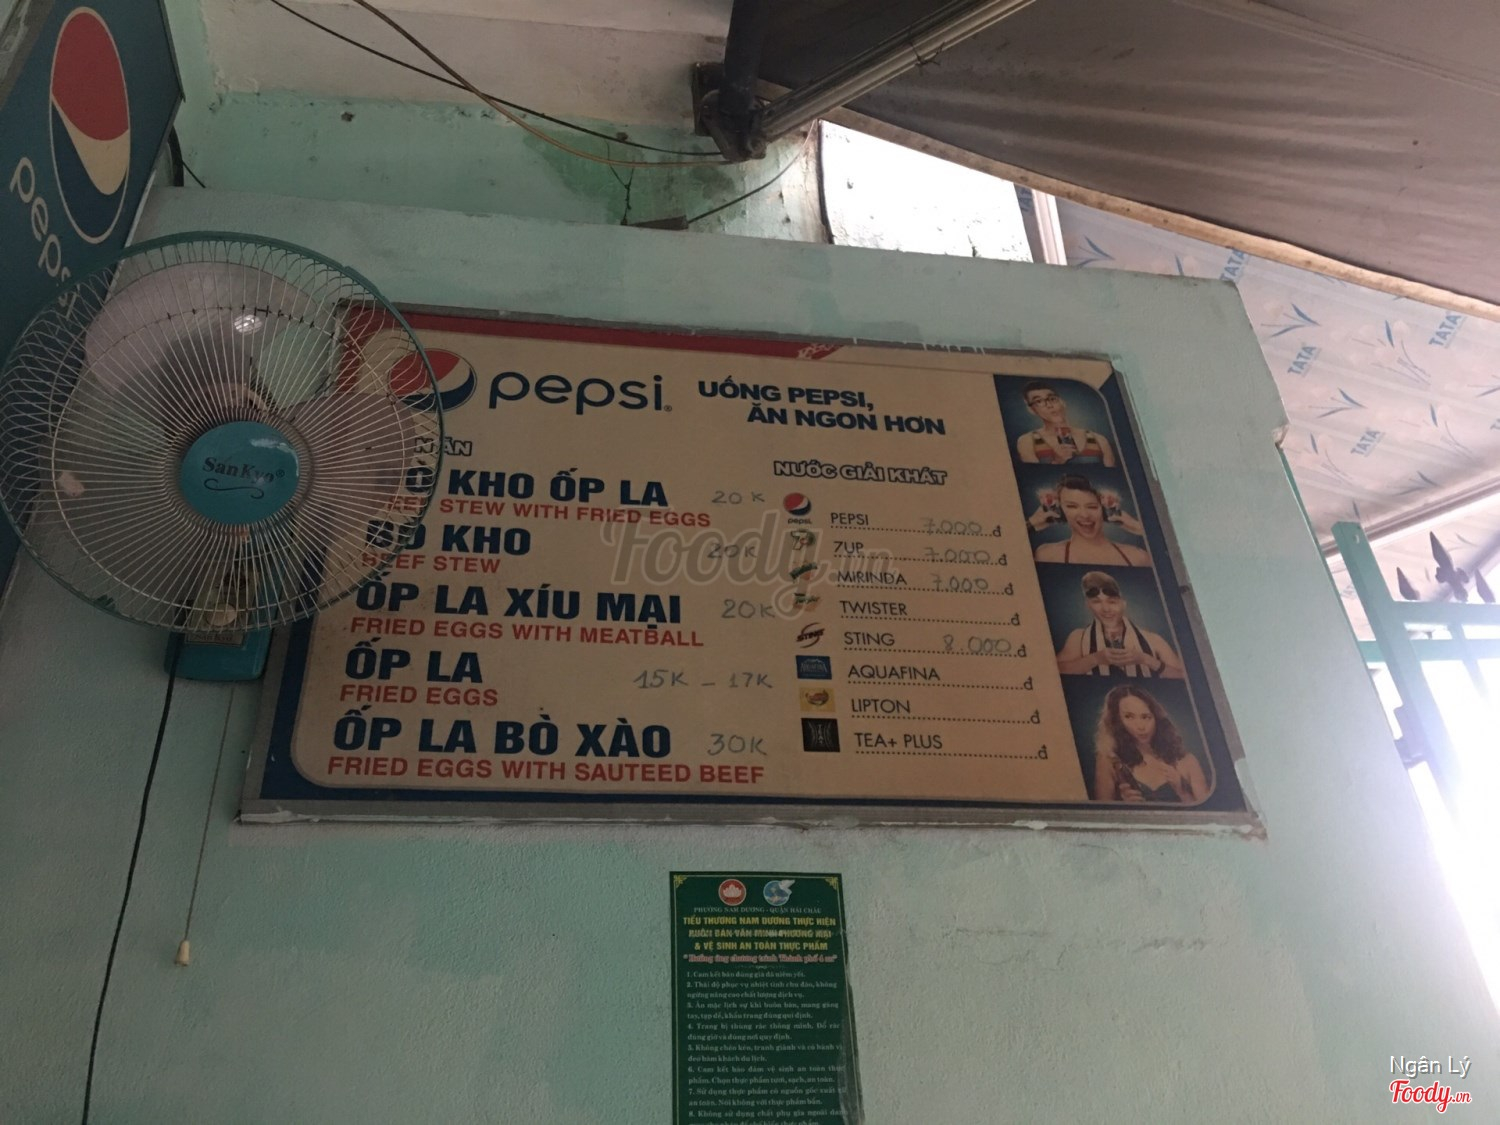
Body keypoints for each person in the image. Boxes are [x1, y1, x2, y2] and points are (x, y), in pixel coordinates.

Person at [1091, 685, 1209, 804]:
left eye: (1146, 717)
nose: (1141, 726)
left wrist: (1182, 792)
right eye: (1129, 717)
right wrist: (1124, 806)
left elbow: (1208, 811)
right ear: (1117, 720)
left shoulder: (1187, 761)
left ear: (1156, 718)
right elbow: (1101, 812)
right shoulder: (1110, 761)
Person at [1056, 572, 1185, 678]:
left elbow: (1183, 675)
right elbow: (1054, 671)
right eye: (1096, 602)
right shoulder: (1078, 637)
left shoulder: (1153, 639)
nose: (1106, 609)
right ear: (1088, 605)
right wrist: (1095, 659)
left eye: (1112, 602)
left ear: (1123, 604)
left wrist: (1146, 659)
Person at [1030, 474, 1150, 566]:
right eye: (1072, 506)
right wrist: (1031, 524)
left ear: (1104, 511)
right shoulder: (1047, 554)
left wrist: (1139, 528)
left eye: (1092, 507)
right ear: (1060, 511)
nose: (1085, 515)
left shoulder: (1137, 557)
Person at [1015, 381, 1116, 467]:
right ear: (1031, 410)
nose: (1049, 405)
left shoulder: (1099, 440)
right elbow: (1034, 477)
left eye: (1052, 399)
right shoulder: (1027, 441)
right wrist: (1057, 461)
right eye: (1039, 401)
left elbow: (1112, 476)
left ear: (1062, 402)